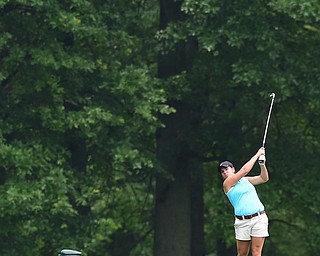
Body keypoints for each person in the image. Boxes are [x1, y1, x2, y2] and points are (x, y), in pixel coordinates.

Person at [218, 147, 269, 256]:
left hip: (259, 218)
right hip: (242, 222)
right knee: (242, 254)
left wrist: (262, 164)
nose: (225, 173)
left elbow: (263, 178)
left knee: (256, 253)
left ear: (233, 169)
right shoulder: (227, 184)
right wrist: (257, 154)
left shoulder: (245, 180)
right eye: (222, 172)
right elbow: (245, 170)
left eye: (227, 169)